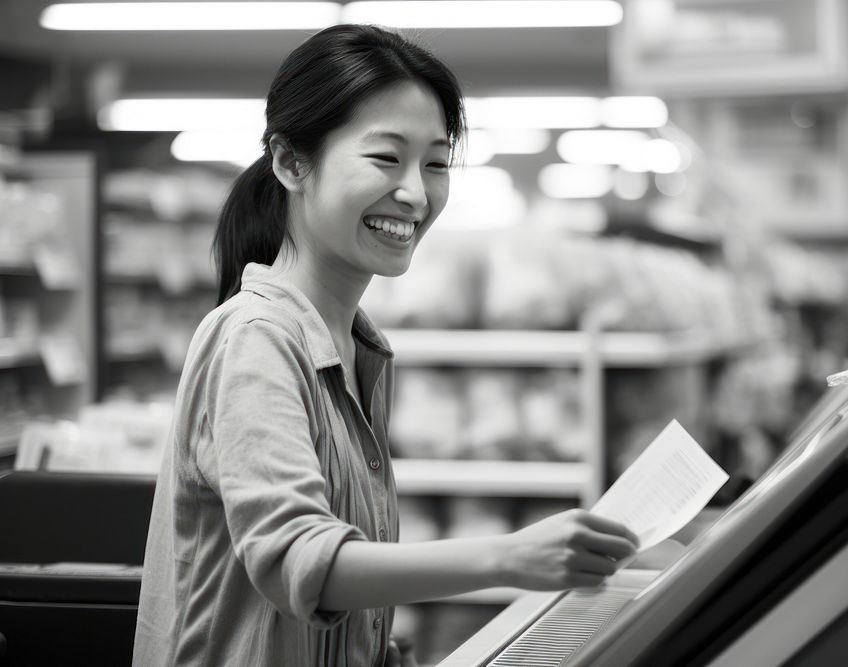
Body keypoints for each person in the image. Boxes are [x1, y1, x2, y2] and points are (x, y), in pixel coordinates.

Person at [133, 23, 639, 667]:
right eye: (385, 158)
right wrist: (512, 557)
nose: (416, 193)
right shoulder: (256, 338)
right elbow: (297, 557)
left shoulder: (357, 347)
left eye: (435, 162)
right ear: (292, 162)